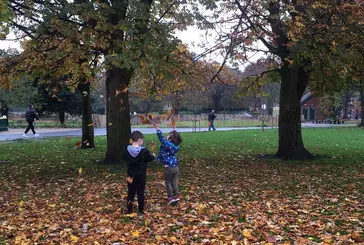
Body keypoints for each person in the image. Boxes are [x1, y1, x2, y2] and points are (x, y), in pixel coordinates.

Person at [124, 130, 155, 215]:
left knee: (130, 192)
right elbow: (149, 158)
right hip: (141, 175)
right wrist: (153, 156)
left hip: (130, 175)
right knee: (140, 192)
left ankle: (129, 209)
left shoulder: (126, 149)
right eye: (142, 140)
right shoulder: (144, 151)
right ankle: (140, 210)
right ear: (139, 140)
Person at [152, 122, 182, 205]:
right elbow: (175, 137)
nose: (167, 136)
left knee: (168, 182)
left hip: (168, 167)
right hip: (175, 167)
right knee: (174, 182)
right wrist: (174, 129)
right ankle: (176, 196)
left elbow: (161, 138)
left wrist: (157, 128)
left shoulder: (167, 144)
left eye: (168, 135)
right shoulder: (175, 146)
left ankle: (170, 197)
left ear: (170, 139)